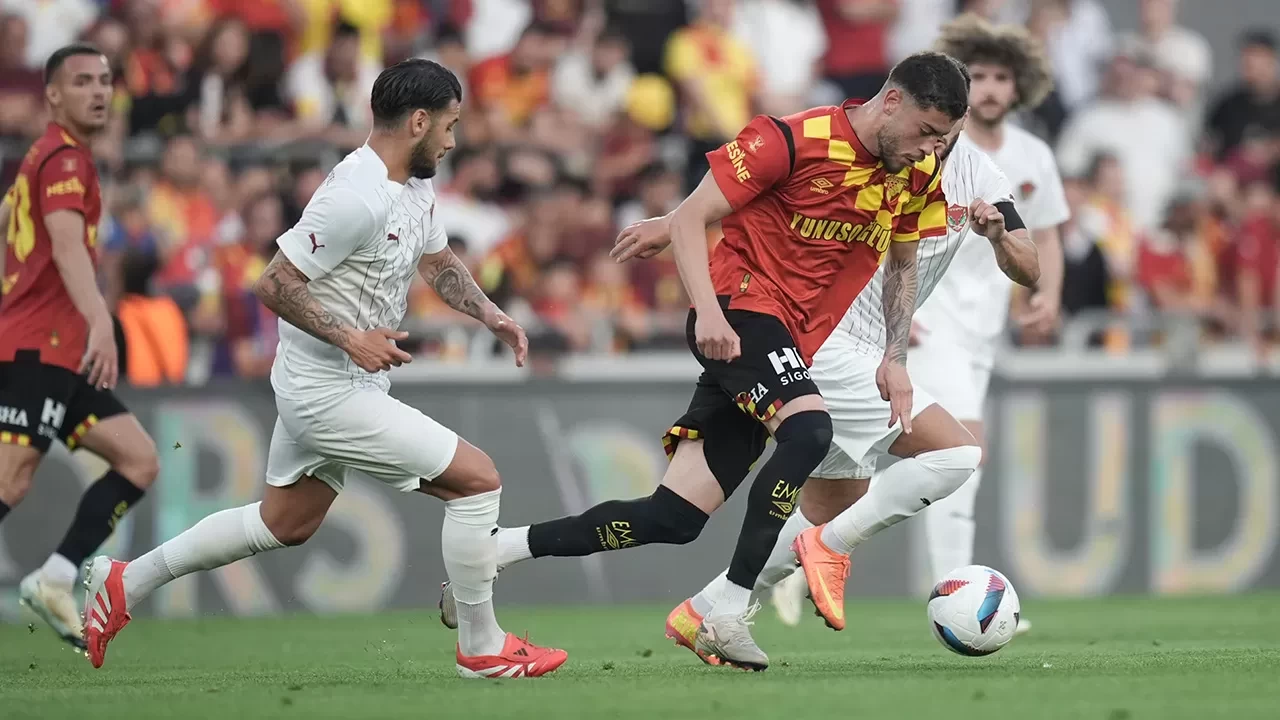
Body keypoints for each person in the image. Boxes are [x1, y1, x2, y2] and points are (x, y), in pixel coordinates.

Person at [441, 51, 972, 670]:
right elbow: (694, 215)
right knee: (809, 430)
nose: (931, 149)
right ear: (892, 101)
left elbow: (903, 267)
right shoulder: (791, 139)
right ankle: (727, 612)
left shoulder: (915, 176)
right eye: (926, 132)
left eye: (942, 139)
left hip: (787, 340)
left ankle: (494, 552)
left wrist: (895, 357)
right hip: (740, 310)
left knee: (674, 517)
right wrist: (710, 311)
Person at [81, 59, 568, 680]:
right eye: (449, 126)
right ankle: (481, 646)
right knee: (477, 481)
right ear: (419, 122)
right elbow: (273, 283)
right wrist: (350, 338)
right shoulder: (353, 197)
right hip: (326, 389)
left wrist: (492, 316)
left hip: (338, 381)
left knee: (285, 521)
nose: (453, 141)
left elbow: (439, 262)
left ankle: (126, 581)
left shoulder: (413, 185)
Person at [613, 118, 1040, 661]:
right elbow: (778, 186)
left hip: (863, 345)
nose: (935, 136)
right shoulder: (877, 152)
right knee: (956, 454)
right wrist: (678, 220)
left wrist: (999, 235)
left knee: (830, 507)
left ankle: (703, 610)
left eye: (947, 122)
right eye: (931, 121)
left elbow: (1029, 268)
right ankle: (828, 549)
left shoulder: (982, 177)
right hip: (829, 341)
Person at [903, 14, 1068, 635]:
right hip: (930, 318)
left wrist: (1047, 296)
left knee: (899, 458)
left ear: (1020, 85)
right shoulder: (934, 148)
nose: (993, 88)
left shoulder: (1033, 156)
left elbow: (1045, 235)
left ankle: (802, 542)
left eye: (1003, 77)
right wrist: (897, 311)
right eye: (980, 77)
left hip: (983, 329)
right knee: (963, 452)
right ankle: (959, 597)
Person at [0, 44, 161, 651]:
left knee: (139, 459)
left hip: (59, 352)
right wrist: (100, 320)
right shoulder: (65, 159)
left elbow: (7, 224)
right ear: (52, 95)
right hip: (38, 349)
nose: (98, 91)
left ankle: (56, 577)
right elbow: (67, 249)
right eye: (82, 82)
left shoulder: (42, 156)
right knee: (10, 481)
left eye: (104, 81)